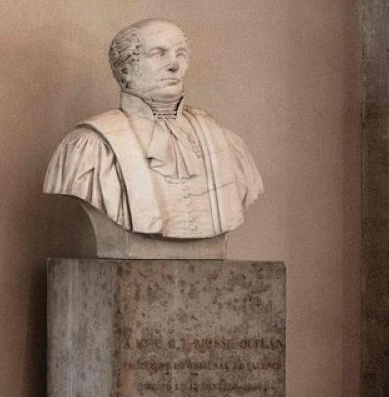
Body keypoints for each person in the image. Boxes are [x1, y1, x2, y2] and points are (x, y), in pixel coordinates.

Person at [43, 18, 263, 239]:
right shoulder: (90, 148)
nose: (174, 64)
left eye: (181, 54)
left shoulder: (225, 144)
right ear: (126, 69)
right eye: (158, 53)